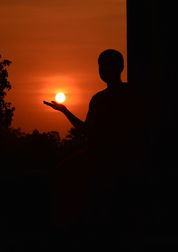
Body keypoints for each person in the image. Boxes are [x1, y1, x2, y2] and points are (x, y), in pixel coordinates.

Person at [43, 49, 145, 246]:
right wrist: (64, 110)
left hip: (106, 158)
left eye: (106, 64)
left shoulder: (127, 94)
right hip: (101, 156)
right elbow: (86, 130)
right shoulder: (101, 98)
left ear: (120, 67)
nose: (103, 69)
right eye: (100, 64)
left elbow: (92, 131)